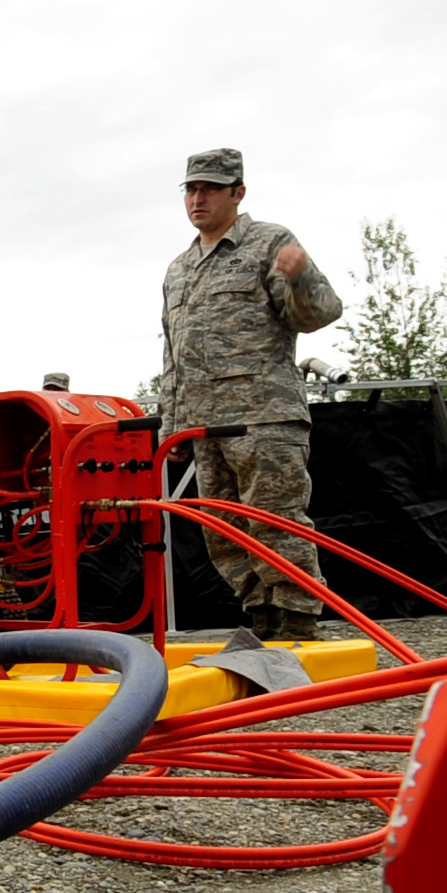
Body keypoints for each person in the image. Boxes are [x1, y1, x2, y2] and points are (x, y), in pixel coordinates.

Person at [158, 148, 344, 641]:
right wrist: (171, 426)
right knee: (221, 528)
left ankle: (298, 621)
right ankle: (262, 616)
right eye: (191, 189)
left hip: (264, 417)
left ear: (238, 193)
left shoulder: (269, 243)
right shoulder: (179, 268)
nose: (197, 199)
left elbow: (319, 313)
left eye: (210, 189)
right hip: (204, 424)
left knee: (276, 521)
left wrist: (300, 275)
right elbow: (174, 352)